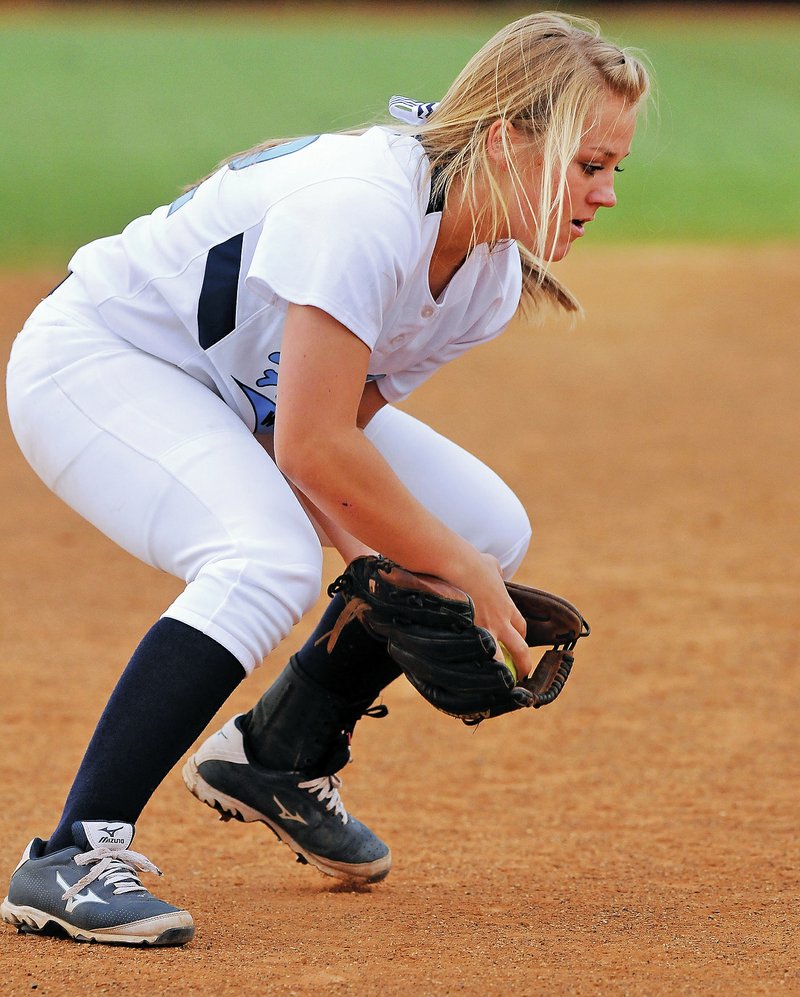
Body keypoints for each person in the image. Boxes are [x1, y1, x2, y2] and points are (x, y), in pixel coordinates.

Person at [2, 11, 649, 946]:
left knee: (485, 526)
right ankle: (69, 852)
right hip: (105, 362)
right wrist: (450, 574)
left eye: (614, 169)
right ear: (509, 137)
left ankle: (277, 752)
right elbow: (309, 447)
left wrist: (385, 568)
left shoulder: (489, 278)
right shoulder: (366, 208)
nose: (608, 193)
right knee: (263, 558)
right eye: (590, 164)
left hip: (237, 397)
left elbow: (326, 426)